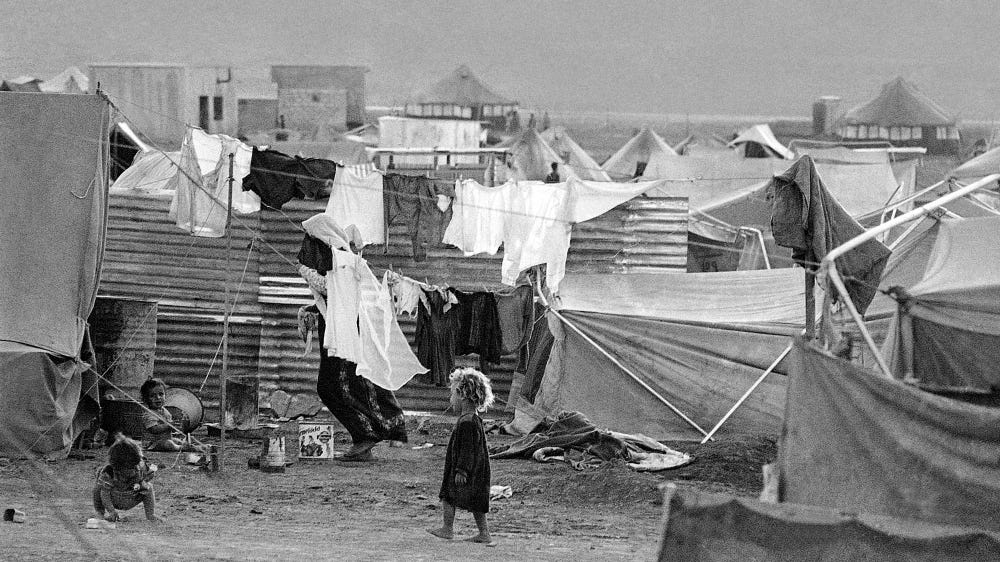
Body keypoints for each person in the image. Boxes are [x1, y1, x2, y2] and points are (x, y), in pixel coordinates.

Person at [428, 368, 495, 545]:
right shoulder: (473, 419)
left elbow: (467, 449)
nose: (451, 400)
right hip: (477, 470)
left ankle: (447, 529)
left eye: (453, 395)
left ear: (462, 394)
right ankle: (484, 533)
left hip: (464, 470)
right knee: (477, 502)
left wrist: (462, 470)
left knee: (448, 496)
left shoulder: (467, 422)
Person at [92, 434, 160, 523]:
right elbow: (105, 494)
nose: (134, 470)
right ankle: (100, 512)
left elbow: (151, 473)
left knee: (149, 487)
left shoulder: (140, 465)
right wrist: (111, 510)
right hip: (114, 498)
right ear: (117, 468)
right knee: (98, 488)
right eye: (129, 468)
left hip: (132, 496)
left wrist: (144, 480)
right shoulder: (108, 472)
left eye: (135, 467)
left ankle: (150, 515)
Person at [139, 378, 204, 453]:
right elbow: (154, 429)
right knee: (168, 444)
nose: (158, 398)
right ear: (146, 399)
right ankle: (181, 448)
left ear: (165, 395)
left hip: (164, 438)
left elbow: (170, 427)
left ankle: (190, 446)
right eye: (152, 396)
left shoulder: (165, 411)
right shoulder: (149, 414)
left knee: (177, 440)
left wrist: (175, 426)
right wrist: (169, 425)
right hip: (152, 443)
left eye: (161, 394)